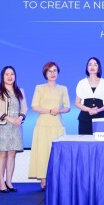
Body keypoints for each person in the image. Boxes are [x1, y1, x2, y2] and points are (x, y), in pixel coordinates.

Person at [28, 61, 70, 191]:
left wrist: (59, 110)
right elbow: (34, 106)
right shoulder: (39, 88)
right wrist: (49, 111)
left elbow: (67, 107)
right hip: (43, 124)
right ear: (45, 73)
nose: (52, 73)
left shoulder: (63, 89)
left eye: (55, 71)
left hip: (57, 125)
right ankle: (43, 179)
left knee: (58, 154)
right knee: (42, 152)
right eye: (50, 71)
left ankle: (57, 179)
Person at [0, 66, 27, 193]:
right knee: (3, 153)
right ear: (2, 76)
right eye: (7, 74)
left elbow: (24, 108)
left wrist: (20, 117)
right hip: (3, 126)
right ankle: (1, 182)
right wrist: (9, 118)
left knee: (12, 153)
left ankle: (9, 181)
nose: (10, 76)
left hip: (16, 126)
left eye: (12, 74)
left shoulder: (20, 91)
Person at [74, 57, 104, 134]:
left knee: (101, 141)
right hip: (85, 118)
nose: (92, 67)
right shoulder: (82, 83)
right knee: (84, 140)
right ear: (87, 67)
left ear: (98, 67)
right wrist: (89, 110)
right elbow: (77, 103)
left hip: (101, 118)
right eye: (90, 64)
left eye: (95, 65)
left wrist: (98, 110)